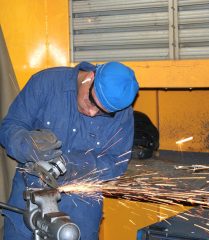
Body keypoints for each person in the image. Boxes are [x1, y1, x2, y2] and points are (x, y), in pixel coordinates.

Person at [0, 61, 139, 240]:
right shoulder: (46, 83)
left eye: (102, 113)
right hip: (27, 210)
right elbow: (9, 127)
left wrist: (71, 165)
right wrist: (27, 144)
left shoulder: (122, 114)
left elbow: (115, 163)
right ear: (90, 78)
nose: (91, 113)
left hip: (80, 218)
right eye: (92, 102)